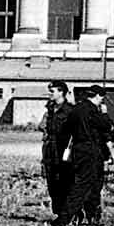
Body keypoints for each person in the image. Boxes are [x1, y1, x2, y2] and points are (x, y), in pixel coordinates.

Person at [58, 85, 114, 226]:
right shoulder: (93, 111)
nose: (102, 101)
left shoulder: (76, 109)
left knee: (82, 183)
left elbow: (65, 129)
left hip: (78, 150)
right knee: (90, 185)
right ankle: (67, 218)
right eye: (101, 98)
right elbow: (108, 126)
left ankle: (86, 217)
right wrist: (104, 114)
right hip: (92, 151)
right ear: (97, 96)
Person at [39, 82, 71, 217]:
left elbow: (74, 134)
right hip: (50, 151)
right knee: (52, 183)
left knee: (65, 182)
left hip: (64, 150)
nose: (50, 94)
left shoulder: (70, 110)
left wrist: (69, 153)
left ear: (61, 92)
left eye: (52, 91)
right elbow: (44, 128)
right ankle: (58, 213)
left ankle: (68, 213)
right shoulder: (50, 110)